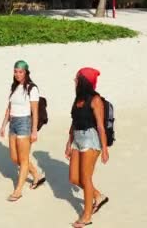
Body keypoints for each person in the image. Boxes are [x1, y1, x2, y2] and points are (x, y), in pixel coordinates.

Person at [65, 67, 109, 227]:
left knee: (86, 178)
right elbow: (74, 121)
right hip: (77, 138)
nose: (74, 80)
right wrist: (69, 142)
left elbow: (100, 126)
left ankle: (87, 215)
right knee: (74, 178)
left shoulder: (95, 100)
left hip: (91, 140)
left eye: (77, 78)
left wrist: (104, 149)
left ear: (83, 81)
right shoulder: (78, 99)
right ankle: (98, 196)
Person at [0, 60, 46, 202]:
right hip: (13, 123)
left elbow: (35, 111)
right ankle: (36, 175)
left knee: (23, 159)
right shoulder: (14, 87)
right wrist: (3, 125)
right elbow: (9, 108)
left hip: (25, 123)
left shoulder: (32, 88)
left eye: (20, 71)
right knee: (15, 158)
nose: (17, 74)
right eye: (15, 71)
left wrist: (34, 131)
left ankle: (18, 190)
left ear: (26, 72)